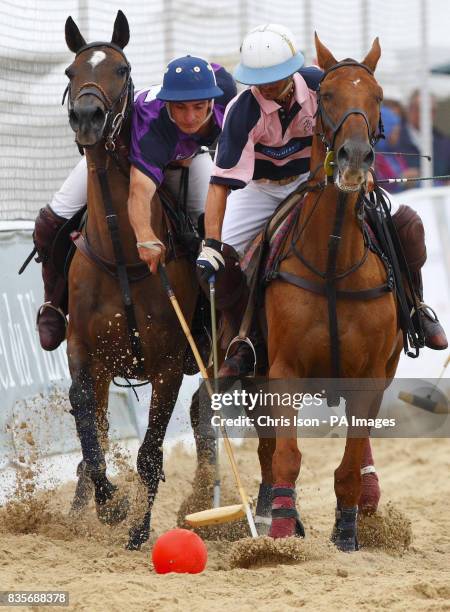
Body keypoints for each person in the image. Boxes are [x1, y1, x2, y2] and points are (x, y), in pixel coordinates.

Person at [196, 24, 447, 378]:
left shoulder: (321, 83)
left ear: (292, 69)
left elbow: (355, 117)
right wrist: (211, 245)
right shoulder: (242, 110)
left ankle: (415, 308)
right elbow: (220, 184)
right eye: (260, 79)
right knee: (224, 264)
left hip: (317, 178)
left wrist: (363, 160)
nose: (268, 85)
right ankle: (244, 341)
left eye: (276, 76)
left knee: (404, 223)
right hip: (260, 190)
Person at [33, 55, 236, 351]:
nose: (191, 117)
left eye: (199, 106)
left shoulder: (227, 94)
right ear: (167, 104)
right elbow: (140, 192)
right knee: (50, 221)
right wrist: (145, 237)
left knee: (210, 229)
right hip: (121, 156)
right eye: (180, 107)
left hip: (185, 158)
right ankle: (53, 304)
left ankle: (204, 320)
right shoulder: (155, 125)